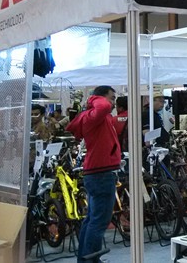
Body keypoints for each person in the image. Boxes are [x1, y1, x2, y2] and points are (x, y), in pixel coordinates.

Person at [66, 86, 120, 263]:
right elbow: (103, 106)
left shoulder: (94, 116)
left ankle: (86, 259)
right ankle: (90, 260)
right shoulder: (94, 114)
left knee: (92, 220)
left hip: (98, 172)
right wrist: (95, 98)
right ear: (101, 98)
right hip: (101, 173)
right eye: (112, 98)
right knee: (98, 222)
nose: (113, 103)